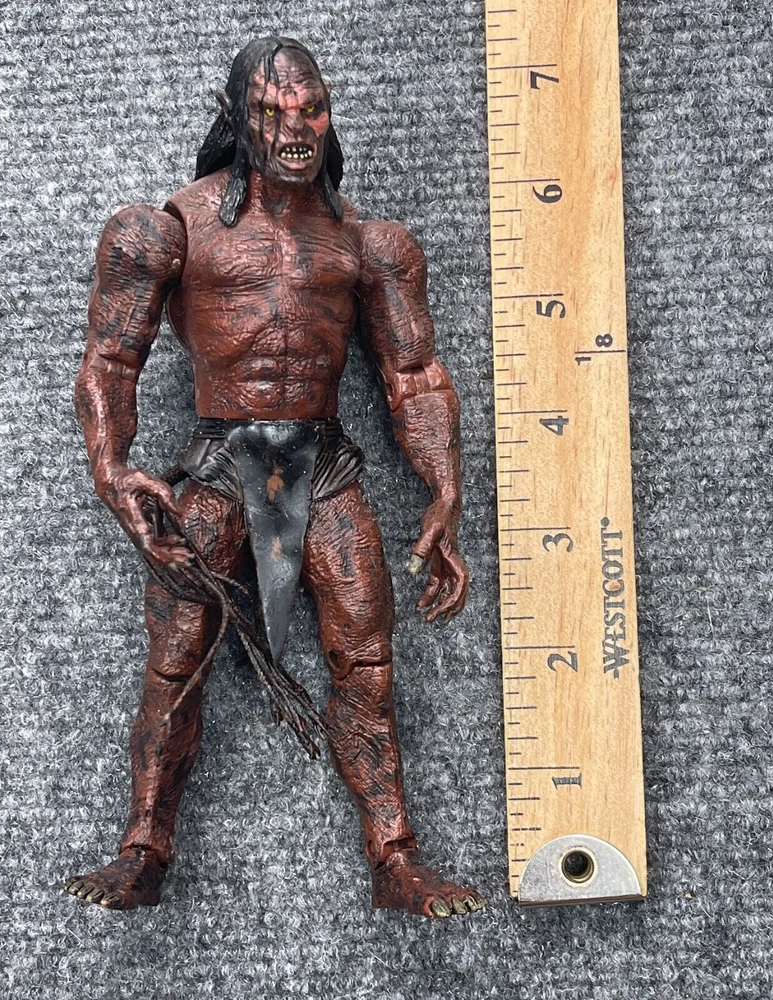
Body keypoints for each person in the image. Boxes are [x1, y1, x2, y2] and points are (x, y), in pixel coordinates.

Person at [64, 36, 483, 919]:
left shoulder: (370, 244)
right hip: (217, 464)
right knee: (175, 661)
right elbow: (110, 358)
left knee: (367, 662)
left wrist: (445, 489)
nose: (295, 129)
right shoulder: (166, 230)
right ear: (236, 118)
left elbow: (413, 375)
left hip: (323, 466)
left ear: (329, 117)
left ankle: (396, 858)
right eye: (271, 111)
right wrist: (111, 469)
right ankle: (143, 848)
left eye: (311, 110)